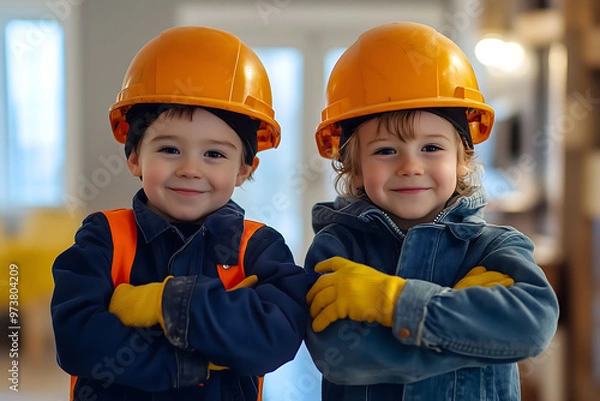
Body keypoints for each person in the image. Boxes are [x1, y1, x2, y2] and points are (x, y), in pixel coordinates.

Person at [51, 26, 311, 401]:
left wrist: (167, 303)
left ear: (244, 169)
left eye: (214, 154)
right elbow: (77, 339)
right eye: (170, 149)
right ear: (135, 157)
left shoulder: (259, 247)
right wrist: (190, 362)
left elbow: (275, 339)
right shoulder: (104, 237)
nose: (191, 169)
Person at [304, 22, 559, 400]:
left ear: (462, 161)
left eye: (432, 148)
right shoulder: (338, 249)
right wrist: (471, 325)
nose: (410, 166)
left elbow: (531, 327)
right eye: (386, 151)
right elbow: (344, 359)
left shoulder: (495, 247)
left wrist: (389, 299)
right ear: (354, 168)